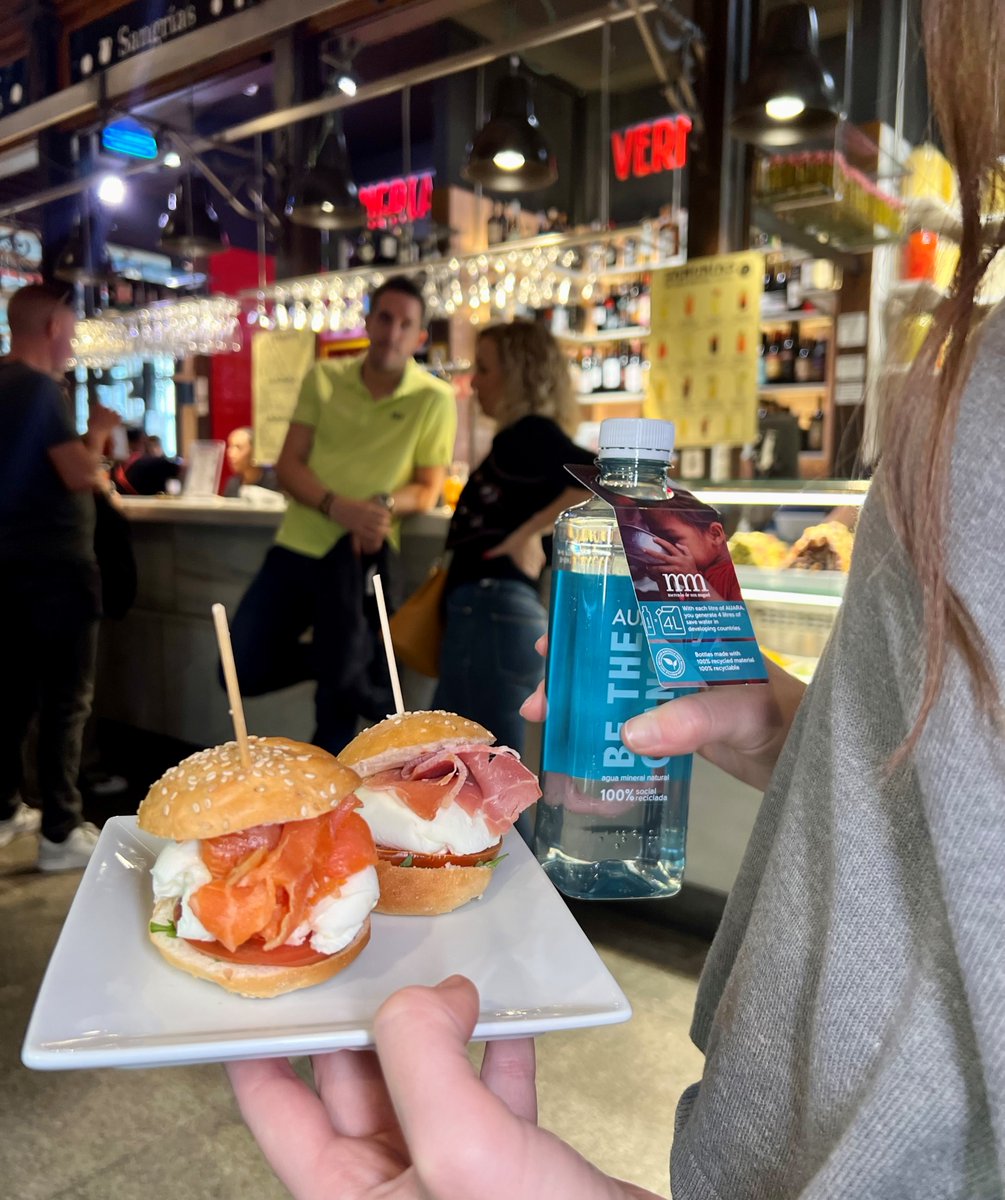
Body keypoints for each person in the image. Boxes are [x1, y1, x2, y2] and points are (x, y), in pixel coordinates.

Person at [225, 1, 1005, 1192]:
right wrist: (812, 745)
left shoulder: (973, 412)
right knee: (481, 783)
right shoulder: (967, 393)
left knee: (481, 793)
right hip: (738, 1145)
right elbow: (958, 843)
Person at [228, 276, 456, 753]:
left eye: (406, 324)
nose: (393, 332)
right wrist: (338, 506)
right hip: (300, 543)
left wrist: (381, 508)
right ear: (369, 323)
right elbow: (288, 466)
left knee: (340, 718)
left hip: (363, 559)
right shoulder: (323, 378)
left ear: (419, 337)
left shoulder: (435, 398)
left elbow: (428, 488)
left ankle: (331, 819)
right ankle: (333, 661)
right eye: (385, 318)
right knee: (240, 663)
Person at [0, 283, 120, 870]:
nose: (73, 338)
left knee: (15, 695)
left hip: (10, 568)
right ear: (52, 326)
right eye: (71, 326)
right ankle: (59, 832)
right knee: (68, 701)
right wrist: (98, 431)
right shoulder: (40, 390)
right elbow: (78, 474)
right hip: (57, 571)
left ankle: (4, 810)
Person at [431, 321, 593, 753]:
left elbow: (607, 479)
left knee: (476, 774)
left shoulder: (531, 433)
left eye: (484, 368)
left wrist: (527, 533)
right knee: (467, 772)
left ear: (519, 373)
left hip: (492, 613)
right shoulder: (520, 437)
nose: (473, 381)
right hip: (495, 615)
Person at [112, 425, 180, 496]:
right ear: (142, 440)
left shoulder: (116, 467)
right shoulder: (151, 463)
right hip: (151, 506)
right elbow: (182, 468)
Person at [223, 425, 280, 497]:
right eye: (230, 446)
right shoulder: (233, 484)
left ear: (255, 451)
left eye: (238, 447)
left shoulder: (275, 482)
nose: (230, 454)